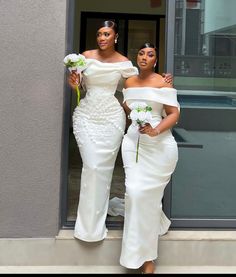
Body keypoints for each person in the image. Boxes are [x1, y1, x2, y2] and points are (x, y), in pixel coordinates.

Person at [68, 21, 173, 242]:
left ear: (115, 37)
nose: (101, 37)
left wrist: (163, 81)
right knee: (92, 166)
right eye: (99, 34)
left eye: (106, 34)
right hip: (86, 115)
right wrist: (74, 84)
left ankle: (99, 217)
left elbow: (138, 85)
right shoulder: (85, 56)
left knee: (103, 169)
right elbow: (79, 86)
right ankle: (88, 228)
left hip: (111, 118)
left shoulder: (124, 62)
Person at [119, 42, 180, 274]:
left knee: (149, 199)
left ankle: (148, 259)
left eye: (150, 54)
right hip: (133, 143)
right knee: (134, 193)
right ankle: (138, 255)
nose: (144, 57)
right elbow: (128, 109)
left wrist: (155, 130)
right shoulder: (129, 83)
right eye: (141, 53)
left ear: (156, 60)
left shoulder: (162, 82)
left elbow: (174, 114)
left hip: (160, 147)